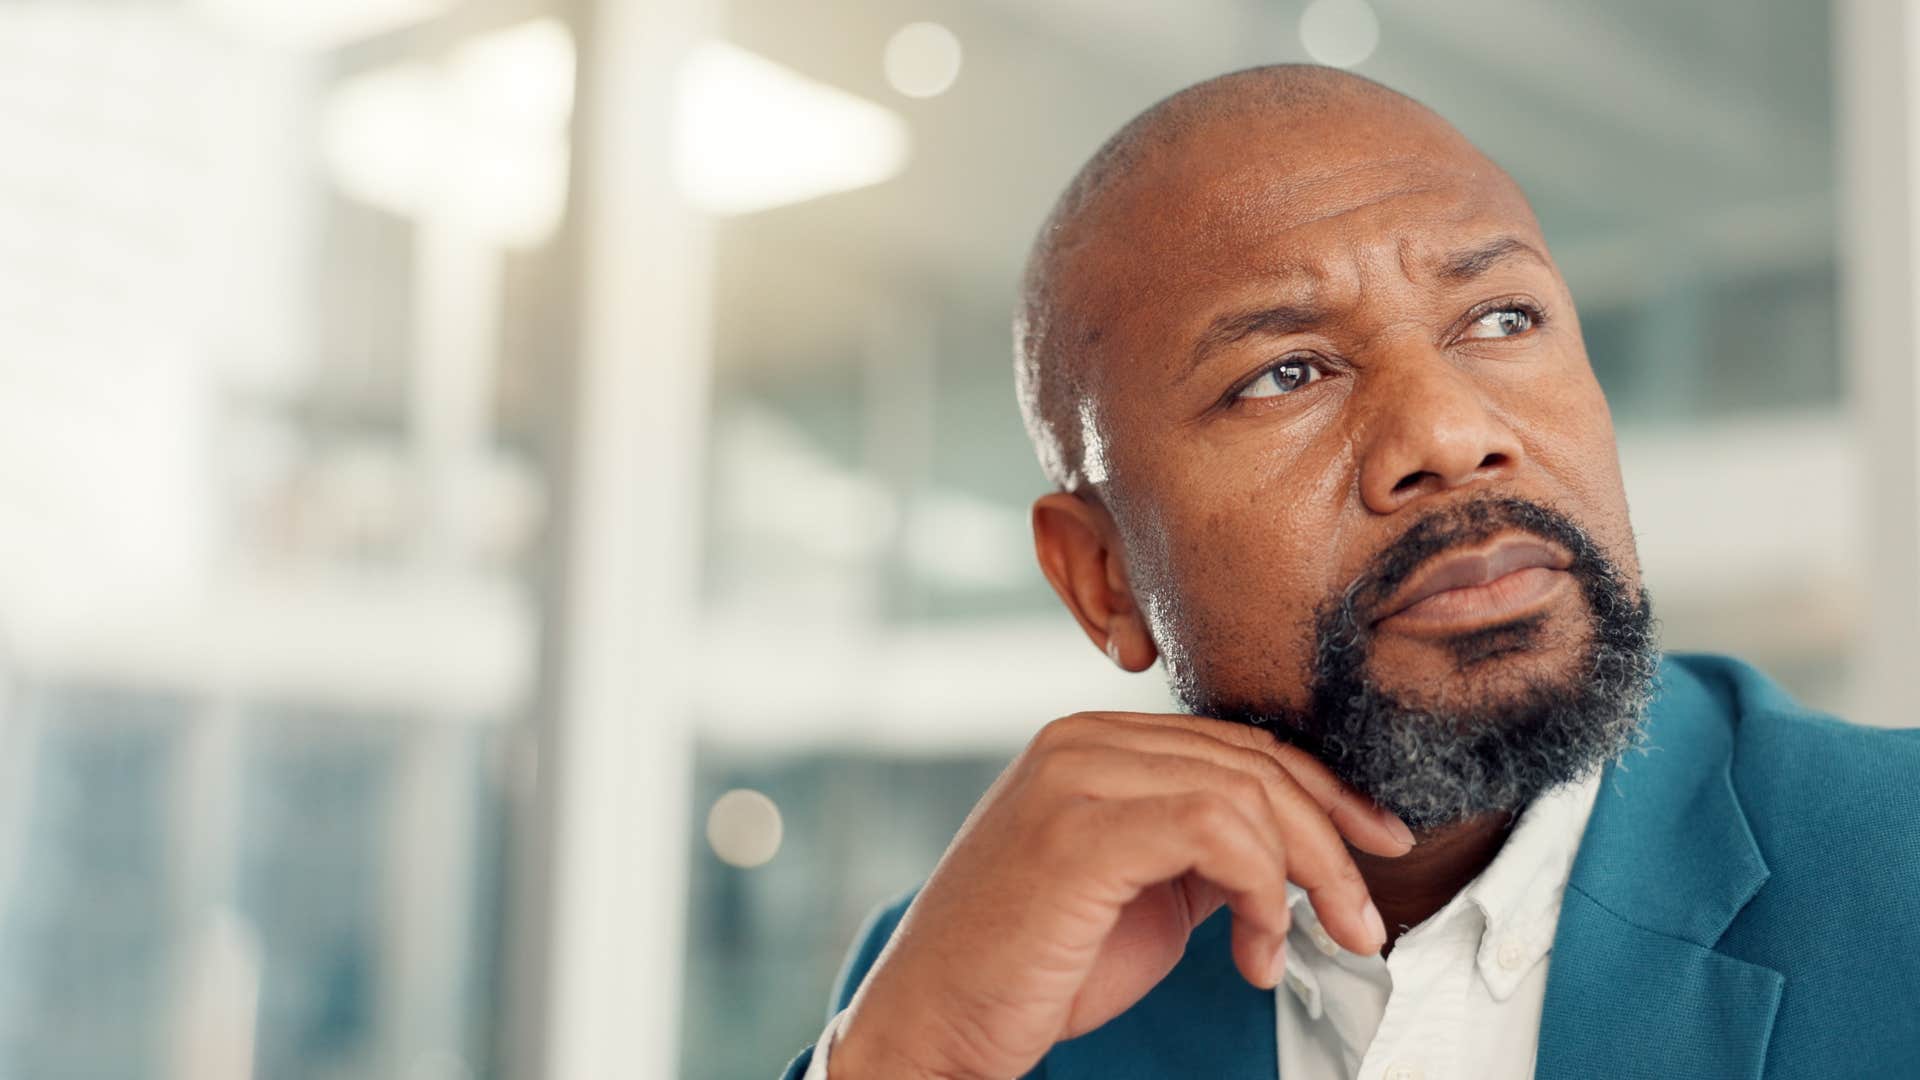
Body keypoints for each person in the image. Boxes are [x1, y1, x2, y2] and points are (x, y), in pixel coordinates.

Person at [779, 64, 1920, 1079]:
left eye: (1502, 317)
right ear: (1103, 578)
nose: (1450, 435)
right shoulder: (969, 988)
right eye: (1285, 374)